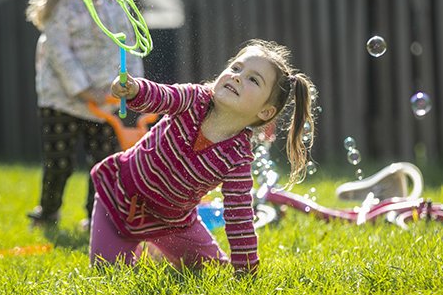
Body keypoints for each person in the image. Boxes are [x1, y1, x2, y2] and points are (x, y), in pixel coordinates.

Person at [89, 39, 317, 273]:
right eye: (236, 68)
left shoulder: (237, 157)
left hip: (173, 224)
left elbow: (239, 216)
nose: (237, 76)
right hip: (118, 199)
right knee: (108, 272)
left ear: (265, 111)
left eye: (253, 79)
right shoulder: (193, 99)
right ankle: (144, 249)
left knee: (214, 270)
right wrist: (137, 90)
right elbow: (163, 95)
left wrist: (246, 270)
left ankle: (155, 251)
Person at [25, 0, 144, 229]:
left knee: (104, 163)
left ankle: (97, 218)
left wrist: (135, 84)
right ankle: (48, 212)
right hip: (62, 99)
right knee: (60, 163)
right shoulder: (61, 6)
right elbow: (59, 54)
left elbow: (129, 42)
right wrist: (83, 89)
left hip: (104, 99)